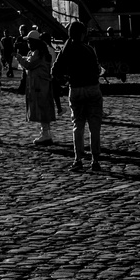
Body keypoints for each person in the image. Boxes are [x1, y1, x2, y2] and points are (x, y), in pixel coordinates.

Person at [56, 21, 104, 172]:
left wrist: (65, 80)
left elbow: (55, 71)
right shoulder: (89, 49)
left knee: (78, 126)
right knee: (94, 126)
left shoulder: (66, 50)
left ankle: (78, 159)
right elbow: (97, 70)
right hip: (92, 88)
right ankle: (95, 160)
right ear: (83, 34)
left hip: (75, 88)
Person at [20, 31, 55, 146]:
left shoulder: (38, 54)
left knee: (41, 109)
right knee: (44, 108)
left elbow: (29, 65)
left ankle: (45, 134)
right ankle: (46, 132)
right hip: (43, 84)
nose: (28, 44)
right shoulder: (43, 53)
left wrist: (19, 58)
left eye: (29, 41)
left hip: (39, 85)